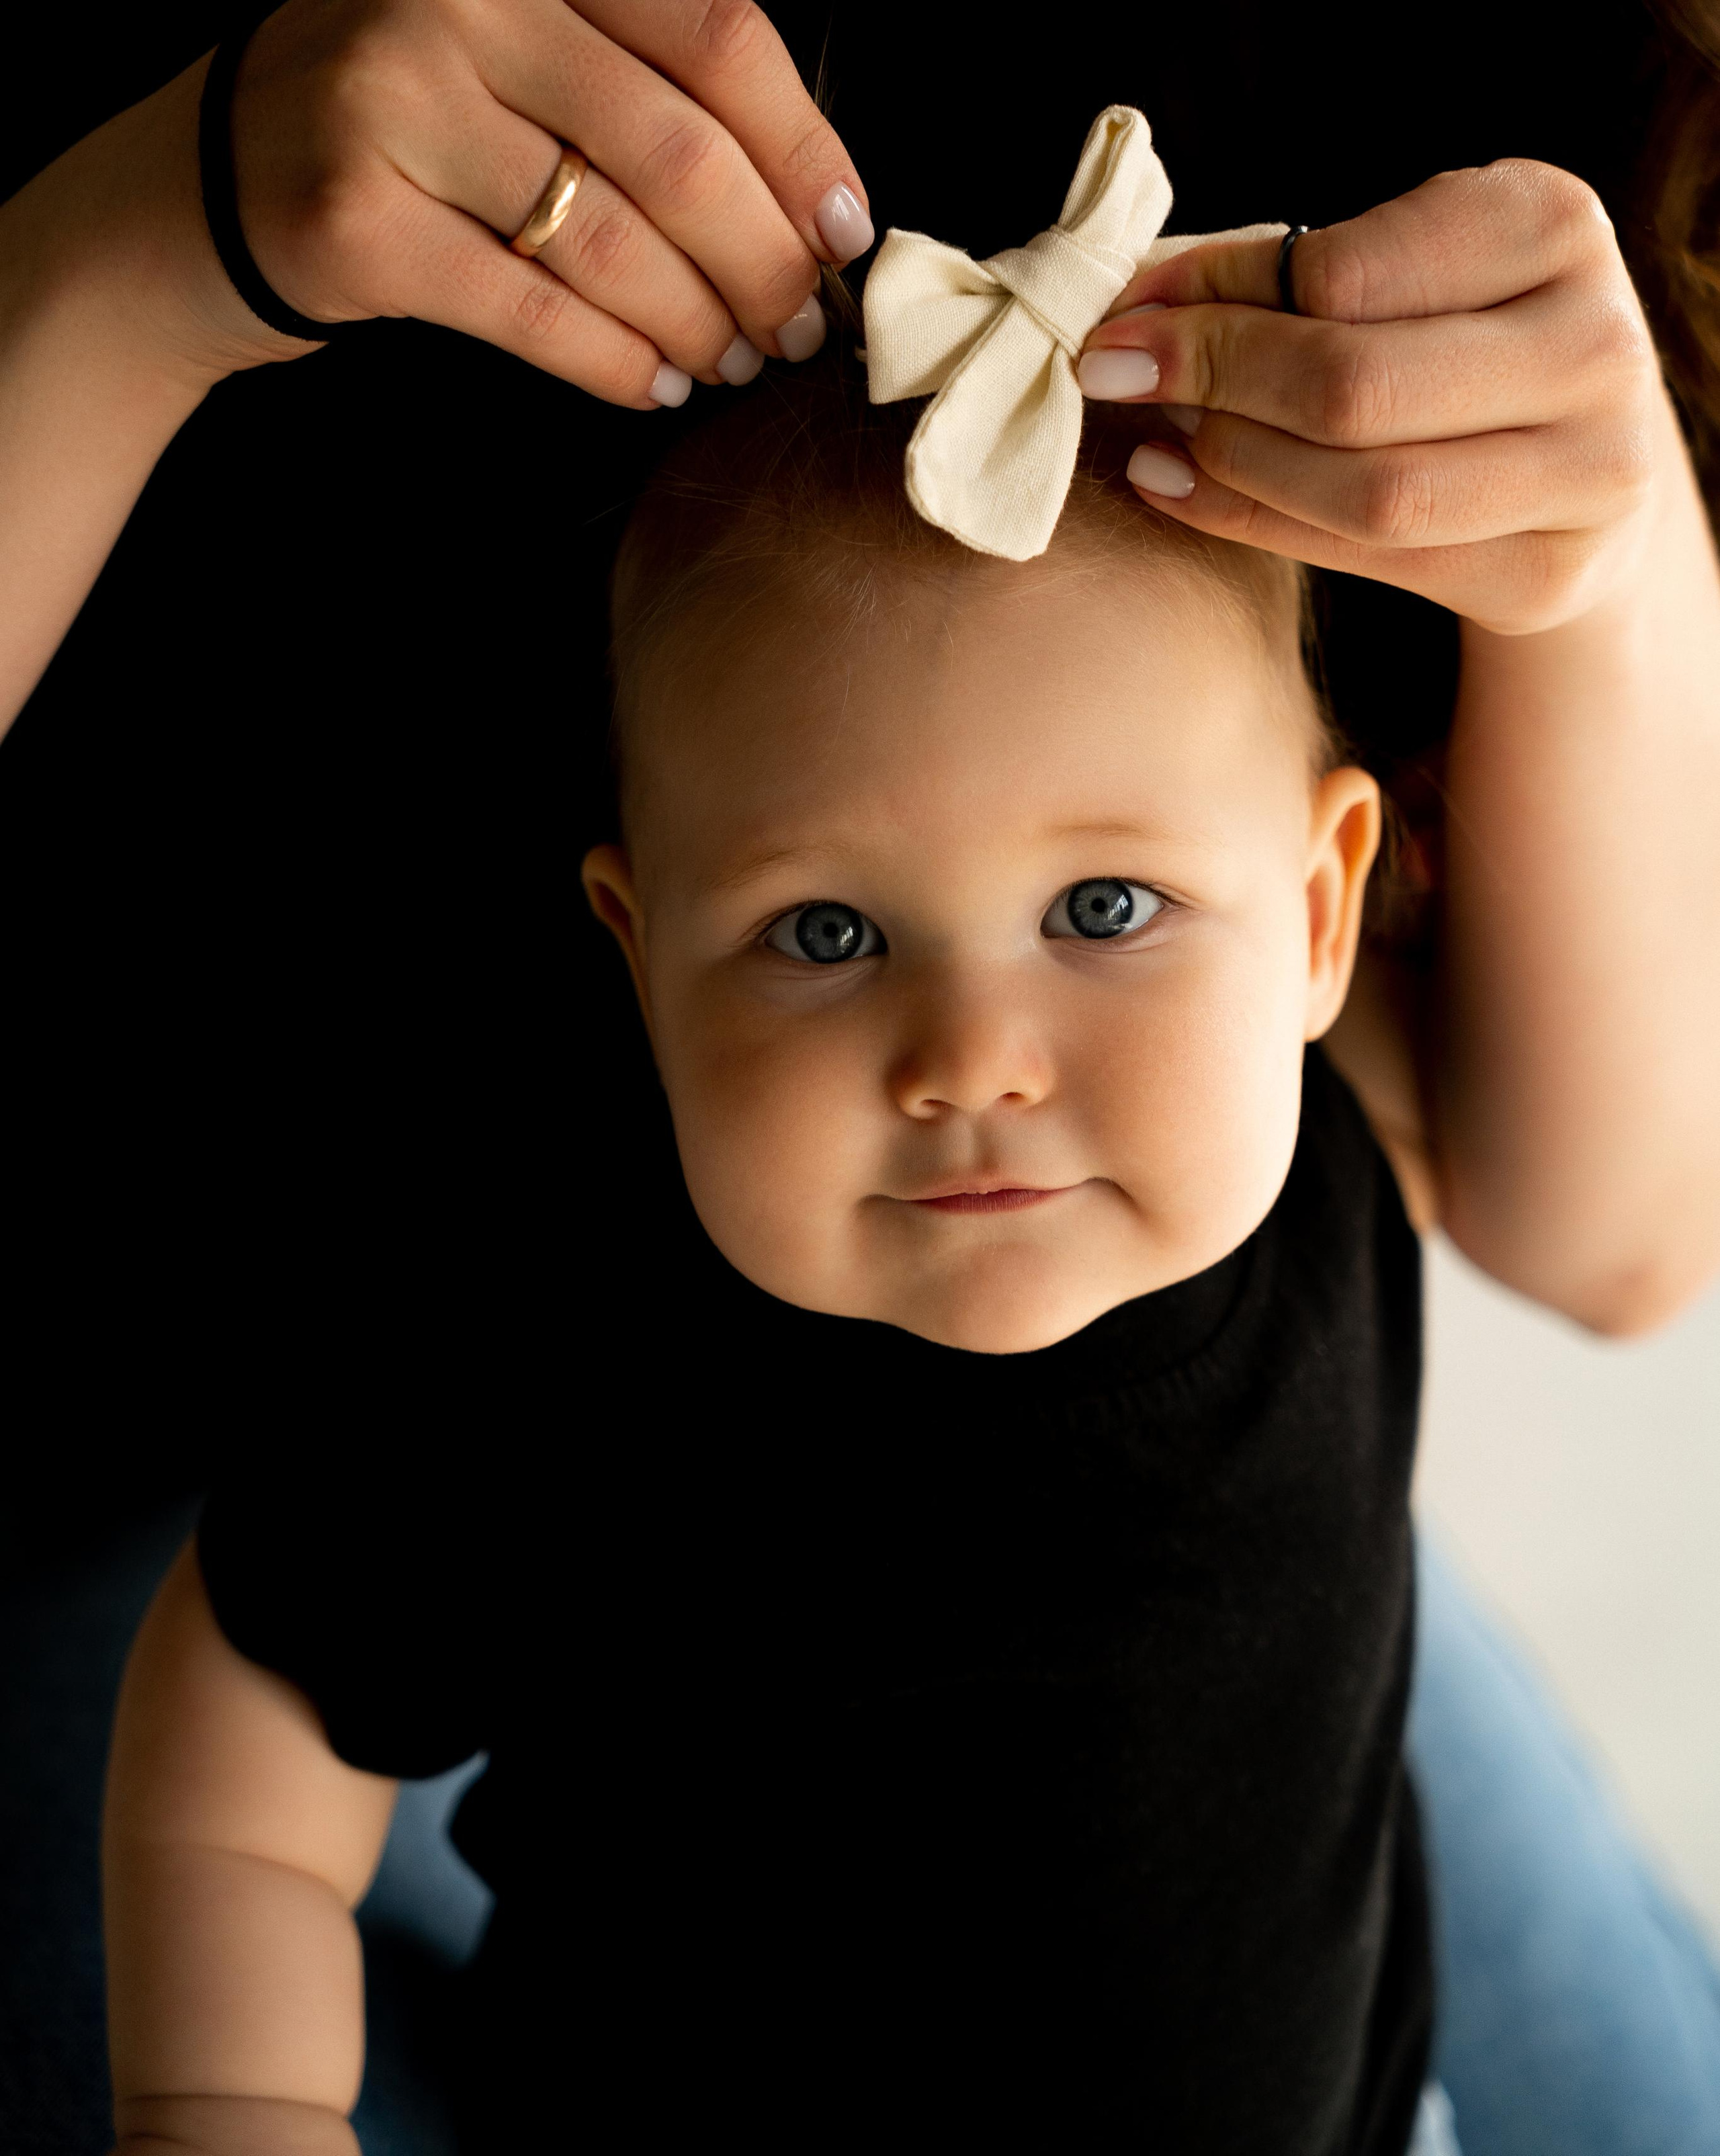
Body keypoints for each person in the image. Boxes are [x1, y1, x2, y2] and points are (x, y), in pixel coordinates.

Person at [2, 0, 1719, 2145]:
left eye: (1108, 907)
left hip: (1129, 1495)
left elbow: (1607, 1233)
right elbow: (239, 1756)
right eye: (828, 928)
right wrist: (152, 245)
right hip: (185, 1446)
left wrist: (1612, 576)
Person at [109, 375, 1444, 2151]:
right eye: (827, 931)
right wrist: (232, 2099)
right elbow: (252, 1711)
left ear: (1315, 914)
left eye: (1105, 909)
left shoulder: (1331, 1181)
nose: (973, 1054)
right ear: (639, 954)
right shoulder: (567, 1353)